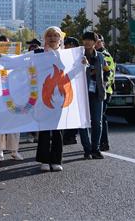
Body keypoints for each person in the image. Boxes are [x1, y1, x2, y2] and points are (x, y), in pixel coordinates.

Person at [35, 26, 65, 172]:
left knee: (57, 130)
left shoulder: (67, 55)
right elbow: (20, 61)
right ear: (45, 38)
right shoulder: (38, 53)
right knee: (45, 129)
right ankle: (44, 160)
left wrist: (83, 64)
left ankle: (56, 160)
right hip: (43, 97)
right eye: (49, 35)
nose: (52, 38)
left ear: (60, 38)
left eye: (55, 35)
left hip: (61, 98)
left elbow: (74, 73)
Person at [79, 31, 108, 160]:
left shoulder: (101, 57)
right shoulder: (77, 55)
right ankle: (87, 149)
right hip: (81, 94)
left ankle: (95, 148)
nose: (87, 42)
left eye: (90, 40)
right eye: (85, 40)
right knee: (83, 123)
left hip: (97, 93)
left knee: (97, 122)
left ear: (95, 42)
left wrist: (104, 83)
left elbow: (107, 72)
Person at [96, 34, 115, 152]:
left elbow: (108, 75)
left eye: (99, 42)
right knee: (98, 118)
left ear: (103, 42)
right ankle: (99, 142)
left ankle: (104, 143)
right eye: (95, 41)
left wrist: (102, 87)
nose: (96, 43)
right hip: (101, 90)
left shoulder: (104, 55)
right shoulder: (95, 54)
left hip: (104, 91)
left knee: (101, 117)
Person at [61, 36, 80, 145]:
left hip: (75, 89)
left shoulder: (79, 56)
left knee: (74, 114)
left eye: (67, 44)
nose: (65, 46)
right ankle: (67, 135)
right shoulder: (62, 56)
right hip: (65, 89)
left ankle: (71, 135)